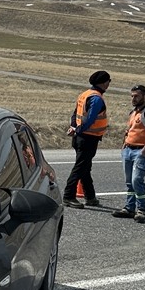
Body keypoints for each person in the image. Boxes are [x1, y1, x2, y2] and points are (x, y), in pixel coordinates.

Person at [112, 84, 145, 223]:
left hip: (141, 151)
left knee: (137, 180)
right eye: (132, 96)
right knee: (129, 182)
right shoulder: (133, 113)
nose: (133, 99)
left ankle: (141, 209)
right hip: (128, 150)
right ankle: (129, 208)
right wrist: (124, 145)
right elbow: (129, 130)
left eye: (136, 96)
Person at [62, 70, 110, 208]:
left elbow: (75, 114)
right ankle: (68, 196)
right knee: (80, 167)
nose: (108, 84)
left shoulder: (85, 94)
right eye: (108, 81)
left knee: (85, 167)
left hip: (79, 137)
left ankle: (90, 197)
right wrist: (79, 129)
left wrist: (73, 127)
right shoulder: (97, 98)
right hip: (88, 138)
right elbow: (90, 118)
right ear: (104, 83)